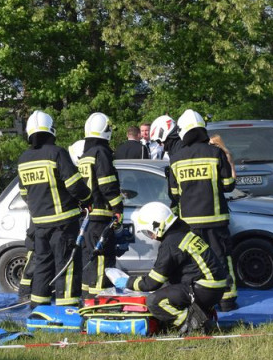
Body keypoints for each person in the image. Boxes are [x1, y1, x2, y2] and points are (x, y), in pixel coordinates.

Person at [114, 201, 227, 334]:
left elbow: (152, 283)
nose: (151, 236)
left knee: (154, 301)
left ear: (158, 226)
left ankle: (194, 323)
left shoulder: (171, 244)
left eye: (148, 232)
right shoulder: (183, 232)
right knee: (168, 286)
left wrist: (128, 282)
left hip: (205, 288)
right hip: (213, 287)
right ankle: (199, 315)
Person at [165, 109, 238, 311]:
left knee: (198, 262)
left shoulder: (176, 159)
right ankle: (227, 300)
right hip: (216, 219)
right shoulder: (215, 153)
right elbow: (228, 185)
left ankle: (200, 300)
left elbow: (174, 194)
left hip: (190, 222)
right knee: (222, 257)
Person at [17, 110, 91, 308]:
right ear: (51, 130)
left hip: (39, 225)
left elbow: (24, 193)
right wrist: (87, 198)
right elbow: (75, 185)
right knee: (66, 265)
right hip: (63, 223)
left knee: (43, 266)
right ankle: (67, 308)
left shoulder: (23, 159)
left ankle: (39, 308)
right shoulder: (56, 153)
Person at [78, 112, 124, 297]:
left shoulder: (85, 154)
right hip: (101, 217)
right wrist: (118, 208)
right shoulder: (102, 153)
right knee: (102, 261)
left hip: (88, 219)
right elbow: (107, 184)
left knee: (89, 260)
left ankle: (86, 299)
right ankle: (99, 301)